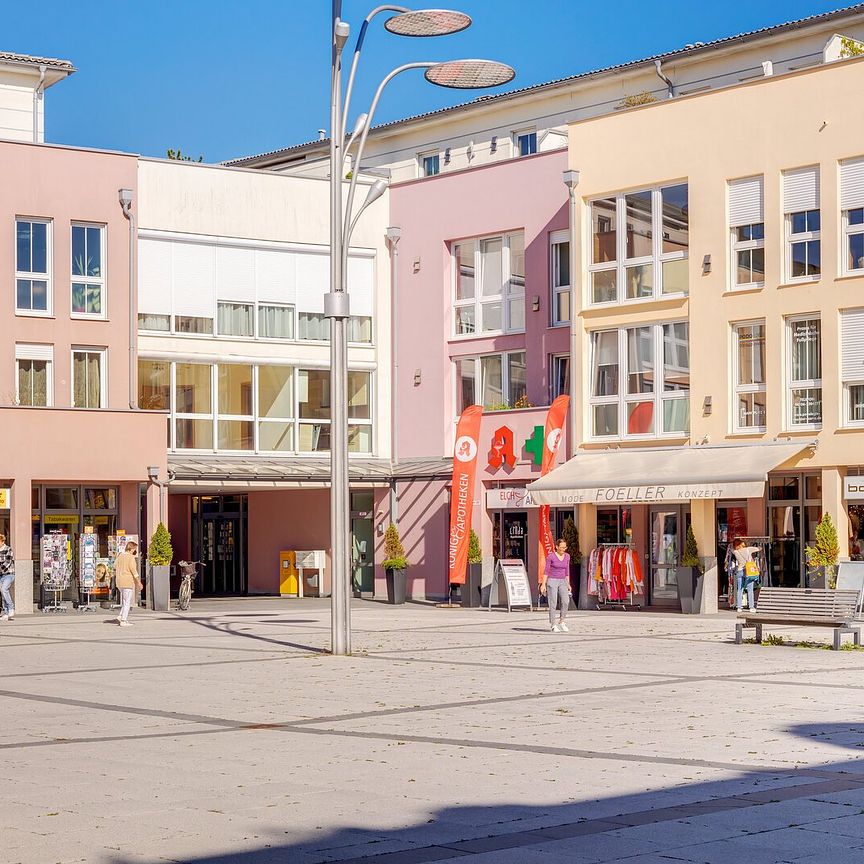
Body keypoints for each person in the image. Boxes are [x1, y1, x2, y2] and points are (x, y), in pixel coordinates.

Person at [540, 538, 571, 632]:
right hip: (552, 580)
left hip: (563, 580)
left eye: (565, 547)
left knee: (566, 601)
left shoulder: (567, 556)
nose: (563, 549)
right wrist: (543, 584)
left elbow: (567, 571)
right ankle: (553, 624)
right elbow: (546, 571)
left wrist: (568, 584)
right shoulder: (551, 557)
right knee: (553, 602)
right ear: (557, 547)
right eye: (562, 547)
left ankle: (562, 621)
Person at [113, 541, 142, 627]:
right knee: (127, 602)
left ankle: (120, 616)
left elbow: (114, 566)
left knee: (125, 600)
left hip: (119, 581)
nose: (135, 551)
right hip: (127, 581)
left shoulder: (120, 556)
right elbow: (134, 571)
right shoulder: (130, 557)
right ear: (131, 548)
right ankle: (124, 620)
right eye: (134, 549)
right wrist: (138, 582)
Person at [732, 538, 760, 612]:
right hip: (748, 570)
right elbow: (758, 549)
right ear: (740, 544)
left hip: (740, 570)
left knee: (740, 589)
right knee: (750, 589)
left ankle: (739, 607)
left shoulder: (735, 552)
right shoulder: (748, 549)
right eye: (742, 542)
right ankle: (751, 607)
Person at [0, 534, 14, 622]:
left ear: (2, 541)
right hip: (1, 574)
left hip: (9, 574)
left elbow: (7, 562)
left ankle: (11, 608)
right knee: (2, 592)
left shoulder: (8, 549)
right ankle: (6, 612)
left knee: (4, 589)